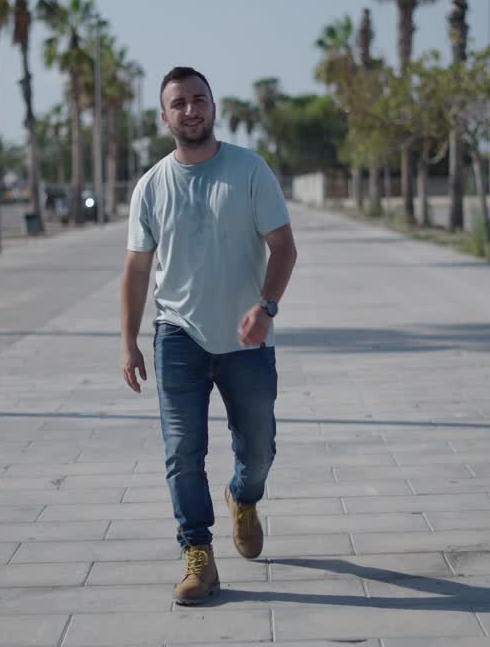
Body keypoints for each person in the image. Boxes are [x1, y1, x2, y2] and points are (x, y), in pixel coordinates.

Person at [119, 66, 298, 606]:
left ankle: (243, 497)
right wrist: (128, 340)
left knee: (260, 449)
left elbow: (284, 246)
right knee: (182, 452)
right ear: (164, 115)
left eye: (200, 100)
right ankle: (198, 553)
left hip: (247, 340)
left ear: (214, 107)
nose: (191, 110)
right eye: (179, 103)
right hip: (178, 336)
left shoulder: (249, 170)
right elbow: (134, 269)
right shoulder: (151, 185)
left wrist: (266, 307)